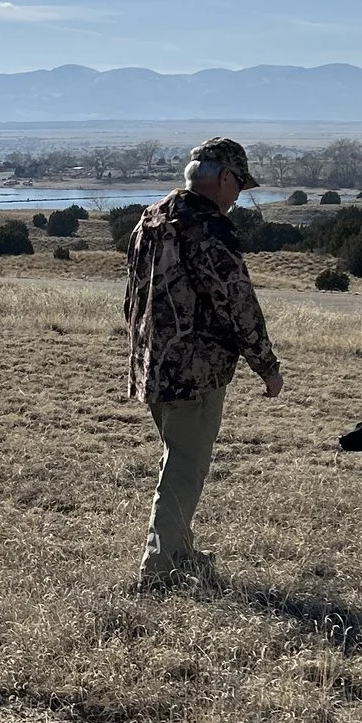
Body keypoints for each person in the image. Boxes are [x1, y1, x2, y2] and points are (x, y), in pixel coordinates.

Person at [125, 137, 282, 587]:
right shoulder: (208, 229)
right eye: (239, 187)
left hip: (152, 364)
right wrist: (267, 367)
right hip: (195, 372)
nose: (237, 198)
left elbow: (133, 297)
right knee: (185, 468)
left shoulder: (151, 218)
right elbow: (237, 304)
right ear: (224, 177)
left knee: (179, 458)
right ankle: (159, 570)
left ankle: (181, 552)